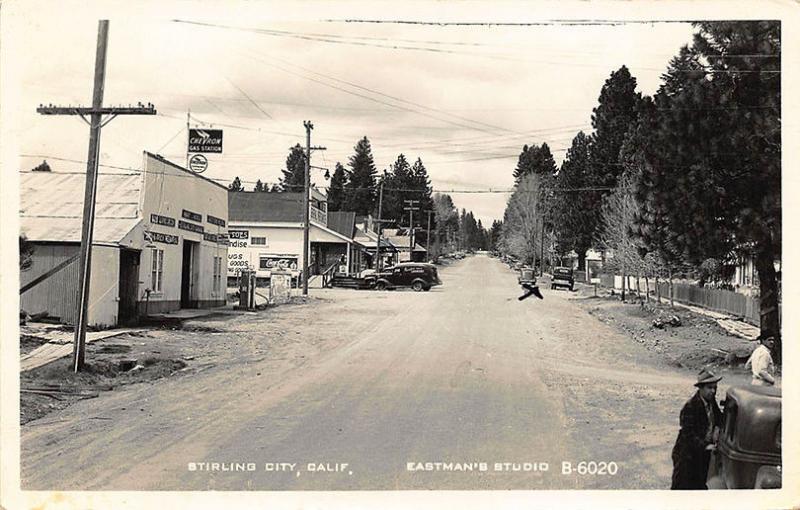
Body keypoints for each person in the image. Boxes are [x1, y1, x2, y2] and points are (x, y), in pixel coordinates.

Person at [671, 367, 723, 490]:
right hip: (687, 455)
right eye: (709, 388)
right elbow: (688, 435)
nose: (713, 391)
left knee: (700, 483)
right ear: (700, 388)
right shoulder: (690, 407)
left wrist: (717, 428)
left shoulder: (711, 402)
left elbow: (719, 417)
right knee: (683, 486)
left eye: (715, 388)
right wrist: (705, 445)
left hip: (702, 455)